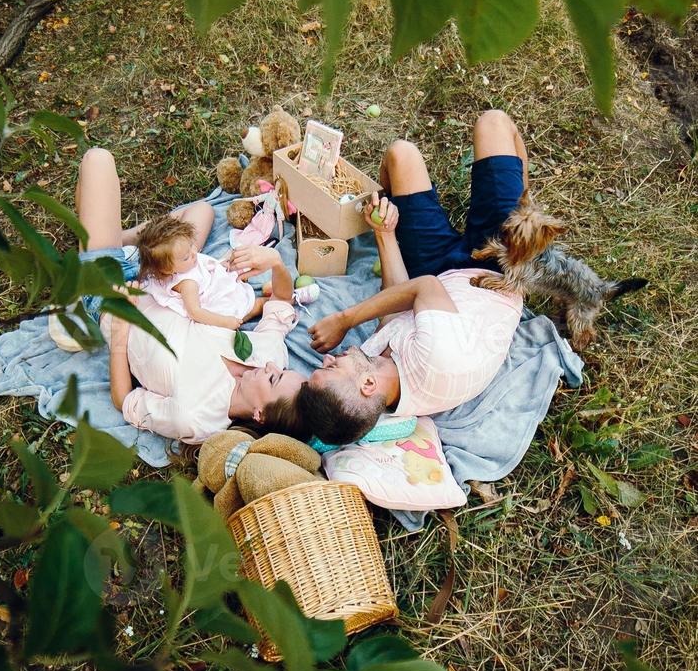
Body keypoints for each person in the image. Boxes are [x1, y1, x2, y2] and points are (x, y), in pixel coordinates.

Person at [295, 110, 529, 445]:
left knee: (399, 155)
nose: (329, 358)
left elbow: (396, 306)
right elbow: (425, 288)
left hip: (439, 278)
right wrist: (344, 319)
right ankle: (524, 207)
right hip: (497, 268)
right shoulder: (435, 363)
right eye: (331, 368)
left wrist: (384, 234)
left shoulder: (382, 377)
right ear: (366, 387)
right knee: (492, 123)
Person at [74, 147, 305, 442]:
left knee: (97, 160)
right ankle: (125, 240)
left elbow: (124, 400)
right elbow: (281, 303)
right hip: (171, 270)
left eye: (274, 378)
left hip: (114, 287)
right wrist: (274, 262)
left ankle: (109, 245)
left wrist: (120, 328)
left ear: (260, 413)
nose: (272, 366)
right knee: (203, 211)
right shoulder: (269, 355)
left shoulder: (195, 417)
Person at [135, 213, 269, 331]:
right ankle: (271, 303)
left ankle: (268, 298)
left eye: (191, 245)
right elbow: (195, 312)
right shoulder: (188, 283)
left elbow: (201, 266)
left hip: (212, 283)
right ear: (167, 269)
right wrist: (226, 322)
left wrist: (219, 266)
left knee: (236, 281)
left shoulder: (184, 263)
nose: (194, 253)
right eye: (186, 256)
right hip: (219, 307)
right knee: (252, 306)